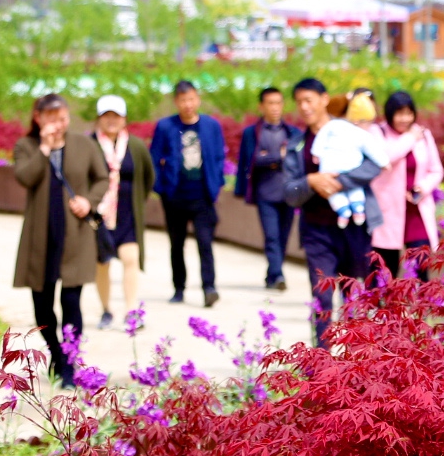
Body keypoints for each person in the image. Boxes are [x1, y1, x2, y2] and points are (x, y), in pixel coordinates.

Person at [13, 93, 109, 384]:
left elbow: (102, 178)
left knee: (71, 301)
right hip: (40, 236)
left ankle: (69, 366)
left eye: (62, 117)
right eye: (51, 117)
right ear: (38, 118)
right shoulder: (26, 146)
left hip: (74, 235)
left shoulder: (85, 144)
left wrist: (89, 201)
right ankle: (54, 352)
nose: (57, 123)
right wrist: (44, 148)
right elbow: (24, 178)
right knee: (42, 305)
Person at [290, 80, 386, 344]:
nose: (304, 107)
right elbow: (287, 190)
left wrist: (339, 181)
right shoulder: (297, 144)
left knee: (354, 294)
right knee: (322, 296)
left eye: (309, 100)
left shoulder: (349, 129)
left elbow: (374, 165)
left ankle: (355, 364)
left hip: (354, 229)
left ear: (324, 99)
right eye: (299, 102)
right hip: (316, 231)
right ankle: (320, 366)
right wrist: (310, 181)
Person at [149, 79, 226, 307]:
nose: (188, 104)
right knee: (176, 244)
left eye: (191, 99)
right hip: (174, 195)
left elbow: (219, 158)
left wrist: (217, 182)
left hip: (202, 195)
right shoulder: (165, 127)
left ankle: (209, 288)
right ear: (176, 102)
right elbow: (154, 159)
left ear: (198, 99)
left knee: (205, 242)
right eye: (183, 100)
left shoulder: (212, 126)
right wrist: (160, 188)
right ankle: (179, 288)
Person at [92, 95, 155, 328]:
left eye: (116, 116)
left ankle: (131, 311)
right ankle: (106, 310)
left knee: (131, 259)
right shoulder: (90, 144)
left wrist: (138, 200)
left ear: (124, 118)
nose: (111, 120)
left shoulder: (135, 145)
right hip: (99, 217)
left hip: (128, 214)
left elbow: (148, 176)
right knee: (103, 263)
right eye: (106, 116)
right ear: (99, 118)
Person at [369, 90, 444, 280]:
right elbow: (385, 158)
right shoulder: (379, 132)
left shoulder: (424, 135)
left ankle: (421, 307)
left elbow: (436, 170)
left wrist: (422, 188)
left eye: (408, 113)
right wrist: (410, 138)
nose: (404, 119)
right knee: (386, 269)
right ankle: (382, 307)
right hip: (388, 210)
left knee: (421, 264)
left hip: (415, 209)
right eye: (399, 113)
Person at [234, 85, 303, 291]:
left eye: (278, 103)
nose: (275, 108)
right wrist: (276, 157)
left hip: (289, 193)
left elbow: (296, 159)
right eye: (270, 103)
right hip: (266, 193)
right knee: (271, 235)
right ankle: (279, 274)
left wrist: (271, 158)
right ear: (261, 106)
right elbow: (251, 160)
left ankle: (272, 272)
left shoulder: (293, 132)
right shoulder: (253, 133)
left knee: (283, 236)